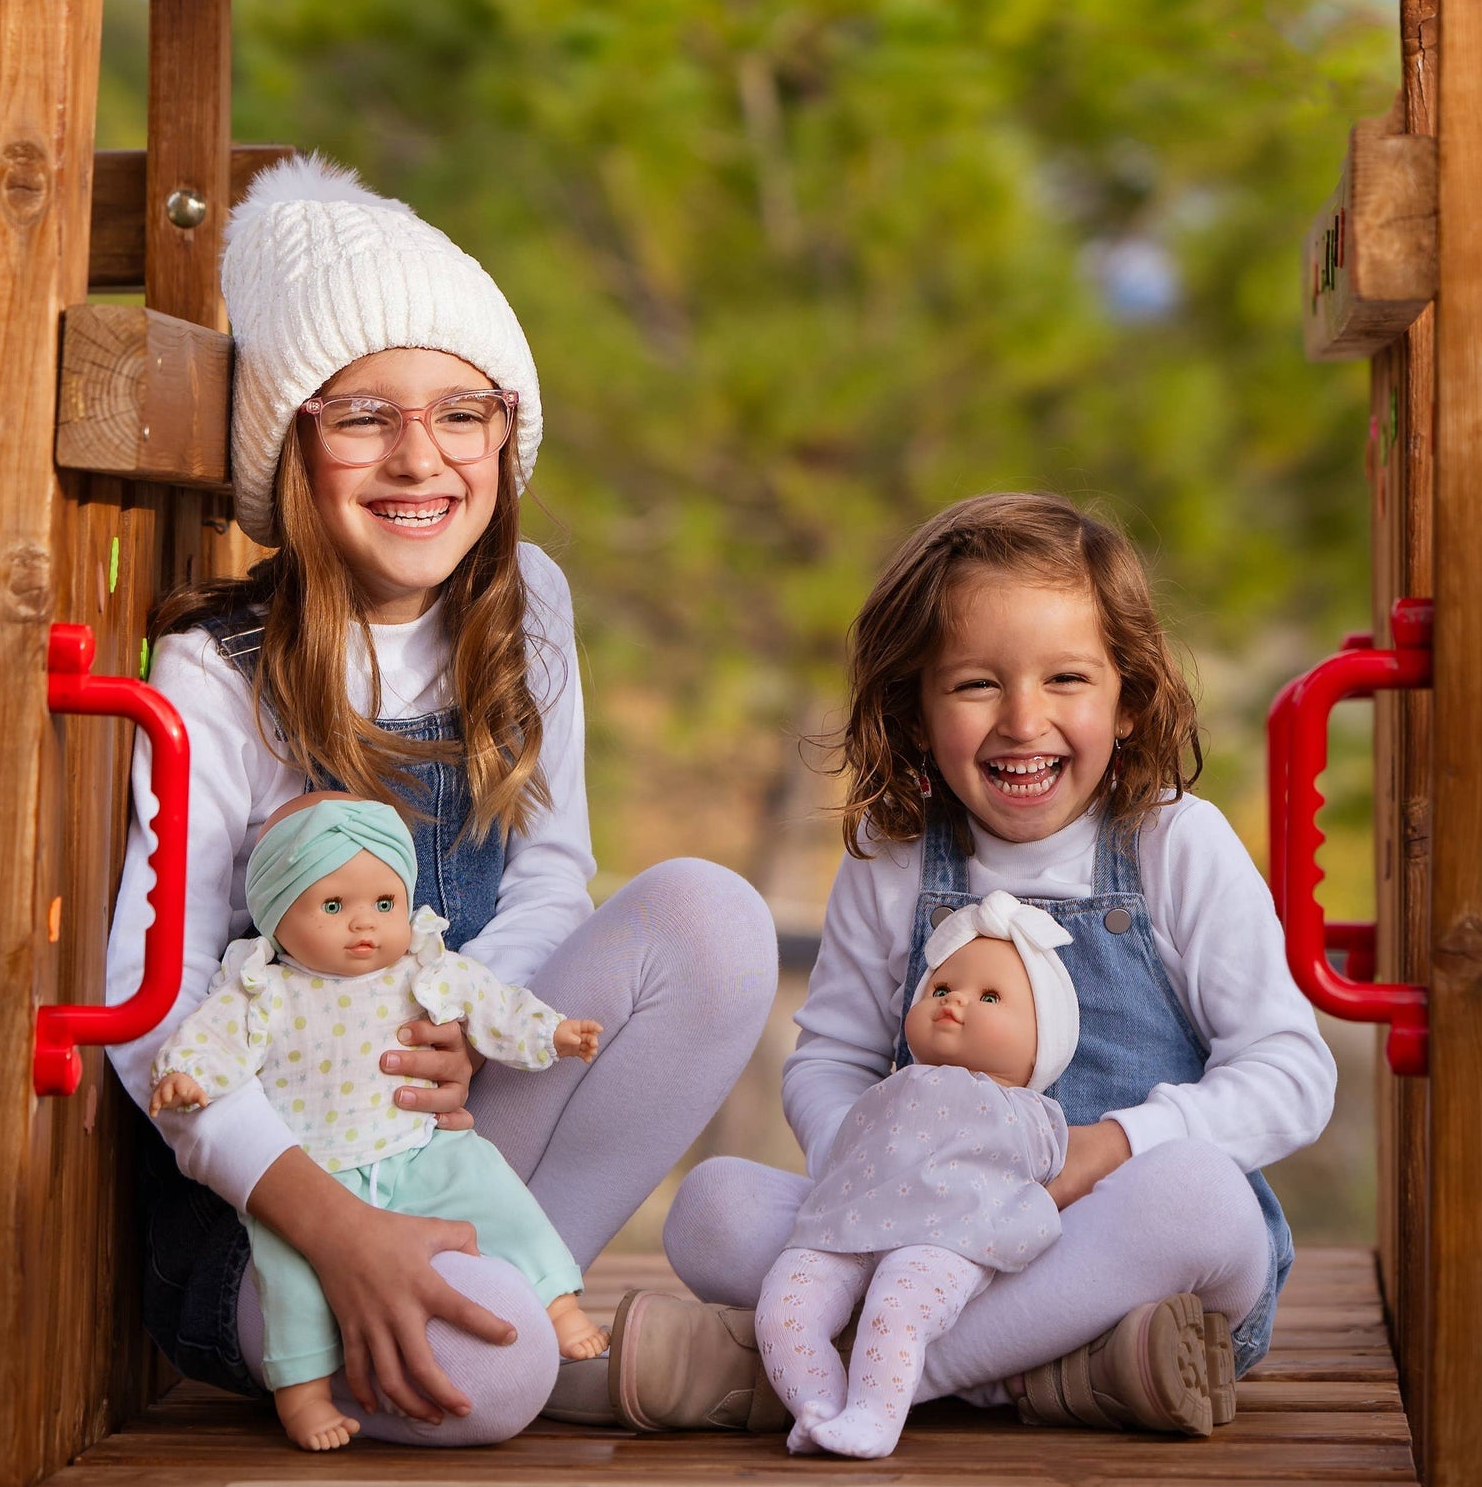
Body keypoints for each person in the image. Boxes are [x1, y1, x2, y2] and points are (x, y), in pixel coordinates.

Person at [105, 153, 778, 1446]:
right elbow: (159, 1007)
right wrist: (331, 1220)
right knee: (499, 1382)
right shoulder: (217, 671)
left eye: (461, 413)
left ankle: (522, 1286)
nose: (421, 457)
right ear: (292, 441)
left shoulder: (530, 611)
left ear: (503, 433)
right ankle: (543, 1338)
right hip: (271, 1207)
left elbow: (543, 879)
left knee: (711, 919)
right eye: (363, 415)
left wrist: (474, 1036)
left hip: (436, 1119)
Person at [617, 492, 1333, 1436]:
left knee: (1201, 1199)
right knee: (710, 1208)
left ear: (1128, 699)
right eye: (975, 685)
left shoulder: (1174, 846)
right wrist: (867, 1170)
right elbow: (830, 1057)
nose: (1023, 720)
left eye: (1067, 678)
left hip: (1117, 1252)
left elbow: (1292, 1074)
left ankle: (860, 1376)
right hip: (932, 1240)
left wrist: (1111, 1148)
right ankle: (1054, 1375)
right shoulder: (895, 853)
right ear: (914, 709)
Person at [149, 794, 606, 1449]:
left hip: (416, 1146)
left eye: (384, 905)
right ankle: (303, 1394)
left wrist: (554, 1033)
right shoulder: (262, 990)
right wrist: (187, 1076)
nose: (364, 926)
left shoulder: (422, 970)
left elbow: (493, 1005)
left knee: (497, 1196)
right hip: (315, 1169)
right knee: (293, 1280)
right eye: (334, 907)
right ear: (278, 915)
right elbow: (212, 1041)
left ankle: (557, 1304)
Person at [757, 890, 1077, 1458]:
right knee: (784, 1306)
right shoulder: (889, 1086)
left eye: (991, 996)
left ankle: (875, 1418)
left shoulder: (1031, 1110)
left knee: (898, 1305)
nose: (955, 1002)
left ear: (1042, 1044)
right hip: (848, 1222)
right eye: (942, 988)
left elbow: (1043, 1170)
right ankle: (818, 1405)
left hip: (949, 1236)